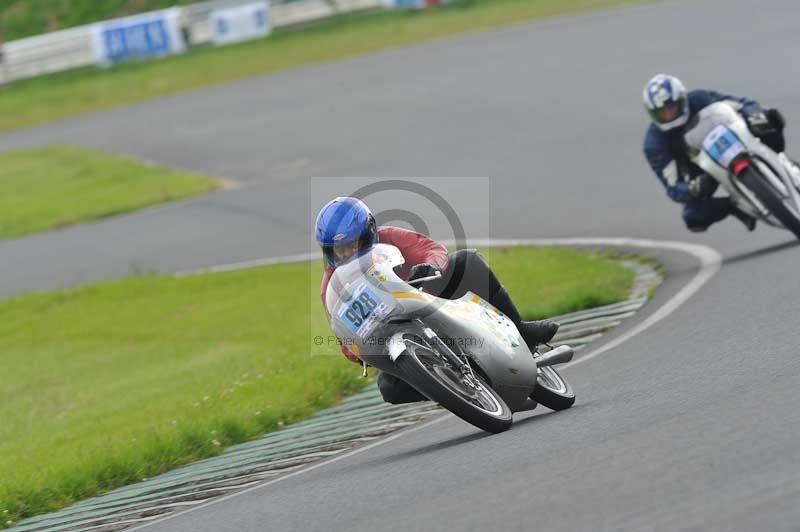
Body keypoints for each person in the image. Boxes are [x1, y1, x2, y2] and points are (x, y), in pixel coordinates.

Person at [316, 196, 560, 404]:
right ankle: (453, 388)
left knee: (466, 261)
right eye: (338, 250)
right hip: (391, 330)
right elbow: (342, 334)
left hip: (427, 296)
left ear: (369, 232)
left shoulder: (389, 236)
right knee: (389, 389)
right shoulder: (331, 285)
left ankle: (521, 329)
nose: (346, 253)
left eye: (351, 245)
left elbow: (432, 249)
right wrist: (355, 349)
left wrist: (428, 267)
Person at [642, 74, 787, 232]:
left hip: (731, 138)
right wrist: (692, 188)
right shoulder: (654, 144)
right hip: (700, 168)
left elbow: (742, 104)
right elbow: (673, 187)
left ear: (682, 100)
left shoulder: (699, 98)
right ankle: (735, 206)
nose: (668, 115)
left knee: (770, 118)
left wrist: (754, 115)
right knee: (694, 217)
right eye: (662, 112)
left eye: (671, 108)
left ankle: (782, 162)